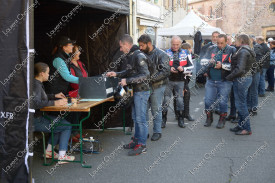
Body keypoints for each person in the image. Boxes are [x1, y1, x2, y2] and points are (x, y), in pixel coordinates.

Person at [106, 34, 150, 156]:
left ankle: (142, 145)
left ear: (126, 45)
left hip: (142, 91)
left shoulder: (138, 55)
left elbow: (145, 75)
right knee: (136, 118)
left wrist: (127, 81)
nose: (120, 49)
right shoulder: (132, 55)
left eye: (121, 47)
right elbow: (128, 71)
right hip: (136, 91)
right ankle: (136, 141)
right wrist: (116, 74)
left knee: (141, 119)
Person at [33, 62, 75, 164]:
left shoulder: (36, 83)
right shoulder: (36, 85)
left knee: (60, 122)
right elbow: (36, 103)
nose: (49, 75)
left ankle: (49, 152)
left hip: (38, 118)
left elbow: (42, 97)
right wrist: (55, 103)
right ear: (42, 73)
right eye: (48, 73)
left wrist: (54, 95)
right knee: (66, 125)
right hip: (36, 121)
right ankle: (62, 156)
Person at [138, 34, 170, 141]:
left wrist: (150, 79)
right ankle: (144, 132)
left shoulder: (162, 54)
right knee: (144, 110)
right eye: (140, 46)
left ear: (149, 44)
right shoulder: (141, 54)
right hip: (144, 87)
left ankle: (157, 132)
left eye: (142, 45)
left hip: (157, 86)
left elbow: (165, 71)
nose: (140, 48)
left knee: (156, 110)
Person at [202, 34, 236, 129]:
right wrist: (209, 61)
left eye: (222, 43)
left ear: (226, 42)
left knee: (222, 102)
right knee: (208, 101)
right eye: (218, 43)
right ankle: (209, 118)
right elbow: (202, 60)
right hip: (211, 80)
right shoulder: (211, 48)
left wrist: (222, 66)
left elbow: (234, 66)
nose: (219, 45)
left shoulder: (232, 50)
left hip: (225, 81)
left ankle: (222, 119)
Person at [226, 34, 256, 135]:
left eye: (237, 40)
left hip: (241, 79)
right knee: (241, 103)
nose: (235, 42)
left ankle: (247, 128)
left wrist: (229, 77)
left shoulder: (243, 51)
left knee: (241, 104)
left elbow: (240, 69)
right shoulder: (246, 50)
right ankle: (240, 125)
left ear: (241, 41)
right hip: (244, 78)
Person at [162, 36, 194, 128]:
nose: (175, 46)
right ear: (170, 44)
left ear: (180, 44)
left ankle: (181, 118)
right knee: (166, 99)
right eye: (173, 44)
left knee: (180, 100)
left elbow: (192, 67)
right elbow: (161, 66)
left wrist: (183, 69)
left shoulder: (186, 52)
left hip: (180, 80)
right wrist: (169, 69)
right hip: (168, 80)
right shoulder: (166, 53)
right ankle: (163, 119)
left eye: (177, 44)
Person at [68, 44, 88, 142]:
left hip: (83, 92)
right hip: (74, 93)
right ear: (72, 53)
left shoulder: (81, 63)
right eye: (77, 51)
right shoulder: (69, 65)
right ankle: (72, 134)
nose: (79, 53)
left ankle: (75, 132)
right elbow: (72, 81)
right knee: (74, 113)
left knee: (78, 113)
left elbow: (85, 76)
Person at [247, 35, 264, 116]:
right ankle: (248, 107)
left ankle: (253, 108)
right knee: (248, 90)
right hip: (248, 72)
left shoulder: (257, 47)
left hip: (255, 72)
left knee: (253, 90)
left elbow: (258, 61)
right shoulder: (247, 47)